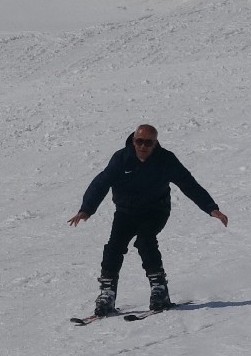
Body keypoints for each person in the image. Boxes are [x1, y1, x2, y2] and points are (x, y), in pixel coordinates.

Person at [68, 124, 228, 316]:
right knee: (114, 246)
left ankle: (159, 289)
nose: (143, 146)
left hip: (155, 210)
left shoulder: (166, 160)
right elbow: (100, 183)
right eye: (139, 141)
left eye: (148, 142)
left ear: (155, 144)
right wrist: (86, 209)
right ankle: (107, 293)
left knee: (145, 241)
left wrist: (211, 208)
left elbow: (188, 184)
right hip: (126, 211)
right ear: (134, 141)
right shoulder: (121, 159)